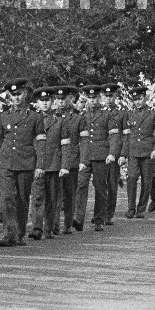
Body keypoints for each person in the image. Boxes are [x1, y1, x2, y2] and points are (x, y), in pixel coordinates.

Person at [0, 78, 46, 247]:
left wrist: (40, 165)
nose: (16, 98)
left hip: (26, 162)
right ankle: (9, 234)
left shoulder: (35, 117)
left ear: (26, 94)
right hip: (6, 163)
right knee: (7, 197)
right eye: (13, 95)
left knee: (22, 199)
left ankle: (20, 233)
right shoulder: (3, 116)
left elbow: (40, 143)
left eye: (19, 94)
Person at [75, 84, 117, 232]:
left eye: (95, 98)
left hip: (101, 155)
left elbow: (113, 136)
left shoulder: (107, 115)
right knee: (81, 186)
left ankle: (99, 219)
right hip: (85, 156)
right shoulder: (82, 116)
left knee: (100, 188)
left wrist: (112, 153)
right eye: (90, 98)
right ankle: (78, 218)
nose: (92, 101)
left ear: (100, 98)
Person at [29, 87, 63, 240]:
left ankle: (48, 228)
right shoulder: (31, 119)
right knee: (37, 197)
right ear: (37, 102)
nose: (44, 103)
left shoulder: (60, 121)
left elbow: (65, 145)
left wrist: (64, 165)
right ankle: (36, 227)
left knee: (52, 198)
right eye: (41, 101)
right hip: (36, 164)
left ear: (52, 101)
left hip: (54, 164)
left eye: (47, 100)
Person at [123, 85, 155, 218]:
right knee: (131, 178)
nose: (138, 102)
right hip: (133, 151)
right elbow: (126, 136)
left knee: (146, 180)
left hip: (148, 151)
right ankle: (131, 208)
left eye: (140, 98)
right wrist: (123, 154)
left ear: (146, 98)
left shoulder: (153, 114)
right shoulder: (129, 114)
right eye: (135, 99)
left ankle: (141, 208)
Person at [55, 86, 82, 234]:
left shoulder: (78, 117)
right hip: (55, 159)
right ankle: (54, 224)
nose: (60, 102)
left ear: (70, 99)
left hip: (72, 159)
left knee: (69, 193)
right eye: (58, 99)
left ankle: (68, 224)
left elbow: (82, 141)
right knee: (55, 194)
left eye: (63, 99)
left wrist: (83, 160)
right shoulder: (51, 116)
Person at [100, 84, 125, 225]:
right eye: (106, 96)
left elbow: (124, 136)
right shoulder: (100, 112)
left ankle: (109, 214)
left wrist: (122, 154)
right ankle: (101, 212)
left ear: (115, 96)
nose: (108, 99)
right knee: (99, 184)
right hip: (100, 152)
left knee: (112, 184)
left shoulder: (121, 113)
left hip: (114, 153)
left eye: (111, 96)